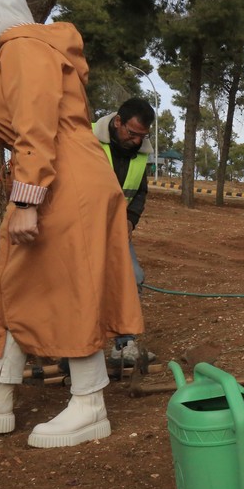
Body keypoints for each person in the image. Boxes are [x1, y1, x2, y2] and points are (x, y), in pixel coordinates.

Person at [0, 0, 143, 447]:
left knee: (67, 285)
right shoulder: (36, 46)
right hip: (70, 173)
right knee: (15, 279)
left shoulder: (21, 46)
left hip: (59, 178)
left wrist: (27, 199)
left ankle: (90, 403)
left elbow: (35, 126)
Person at [93, 97, 155, 363]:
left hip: (117, 226)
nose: (137, 141)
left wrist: (130, 219)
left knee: (133, 276)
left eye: (143, 135)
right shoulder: (87, 140)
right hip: (81, 226)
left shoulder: (142, 151)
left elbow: (139, 191)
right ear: (118, 122)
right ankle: (76, 345)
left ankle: (123, 344)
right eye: (132, 133)